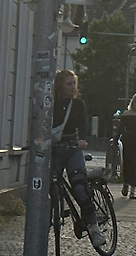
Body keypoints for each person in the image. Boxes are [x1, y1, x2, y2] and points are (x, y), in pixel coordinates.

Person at [52, 70, 105, 249]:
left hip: (72, 149)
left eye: (74, 83)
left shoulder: (77, 104)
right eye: (69, 84)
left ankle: (94, 228)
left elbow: (83, 125)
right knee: (48, 187)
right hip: (54, 150)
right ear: (60, 86)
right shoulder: (51, 104)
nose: (73, 87)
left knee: (79, 187)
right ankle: (47, 220)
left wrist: (82, 139)